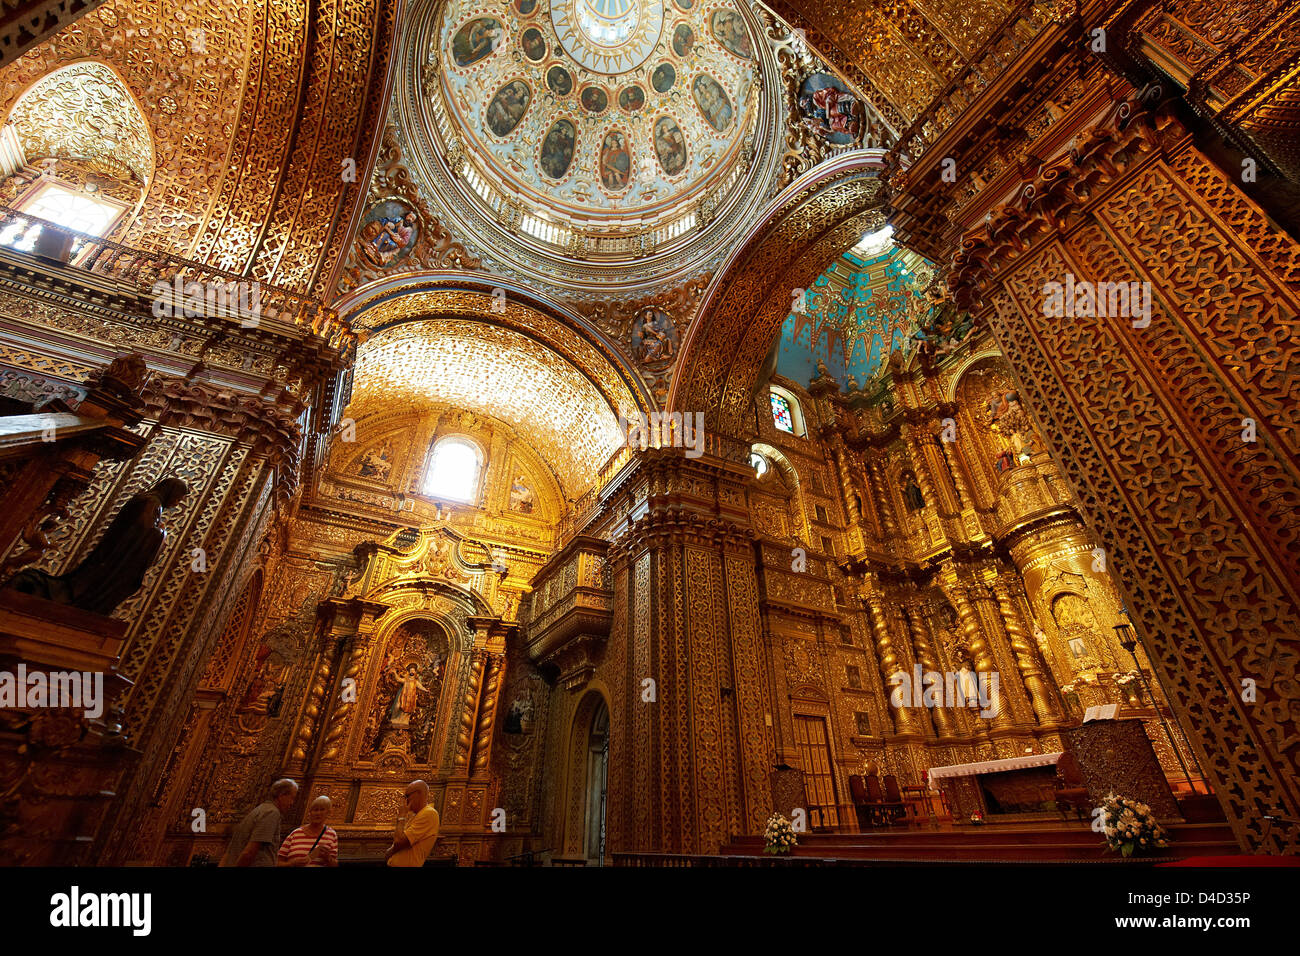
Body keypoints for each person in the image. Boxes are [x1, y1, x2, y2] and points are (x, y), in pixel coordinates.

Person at [221, 778, 298, 867]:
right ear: (281, 795)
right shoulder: (271, 813)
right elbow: (249, 852)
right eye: (292, 798)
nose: (292, 803)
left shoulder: (260, 809)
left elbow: (230, 852)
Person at [385, 779, 440, 867]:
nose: (405, 801)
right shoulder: (416, 815)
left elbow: (399, 841)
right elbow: (400, 840)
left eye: (407, 796)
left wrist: (401, 815)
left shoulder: (429, 813)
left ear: (419, 793)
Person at [277, 795, 339, 867]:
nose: (318, 813)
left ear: (328, 813)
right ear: (309, 813)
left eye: (322, 810)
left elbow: (335, 865)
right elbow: (277, 862)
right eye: (315, 810)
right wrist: (291, 863)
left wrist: (328, 858)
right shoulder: (295, 834)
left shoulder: (331, 834)